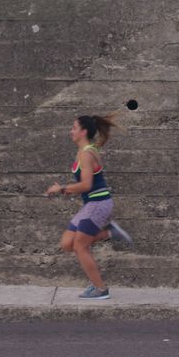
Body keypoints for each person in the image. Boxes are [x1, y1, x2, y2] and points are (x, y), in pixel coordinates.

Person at [45, 114, 133, 299]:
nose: (71, 131)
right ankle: (110, 232)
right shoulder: (85, 151)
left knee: (80, 246)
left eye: (74, 128)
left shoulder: (86, 154)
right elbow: (85, 186)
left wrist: (62, 187)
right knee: (67, 243)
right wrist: (69, 190)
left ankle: (100, 289)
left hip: (98, 204)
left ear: (83, 132)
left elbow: (87, 185)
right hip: (91, 204)